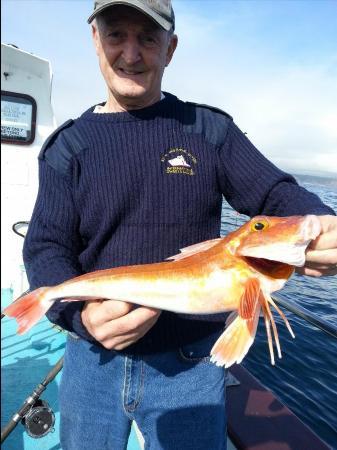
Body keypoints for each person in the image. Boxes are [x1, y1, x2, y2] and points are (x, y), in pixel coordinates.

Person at [23, 1, 337, 449]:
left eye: (148, 38)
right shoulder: (67, 148)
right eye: (116, 35)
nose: (131, 53)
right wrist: (77, 315)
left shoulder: (208, 131)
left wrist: (320, 222)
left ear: (170, 49)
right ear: (95, 41)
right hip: (93, 358)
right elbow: (46, 246)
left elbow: (275, 195)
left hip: (192, 365)